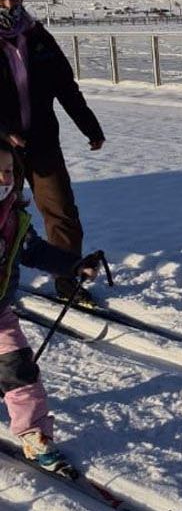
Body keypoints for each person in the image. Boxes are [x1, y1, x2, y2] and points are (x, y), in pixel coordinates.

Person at [0, 141, 99, 473]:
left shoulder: (15, 219)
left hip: (0, 314)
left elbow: (37, 252)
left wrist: (73, 265)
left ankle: (34, 435)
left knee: (21, 372)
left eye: (9, 171)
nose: (3, 179)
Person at [0, 0, 105, 306]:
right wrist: (5, 132)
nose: (9, 2)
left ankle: (68, 277)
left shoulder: (36, 35)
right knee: (5, 215)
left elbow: (66, 87)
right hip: (3, 151)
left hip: (42, 142)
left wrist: (90, 127)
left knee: (61, 211)